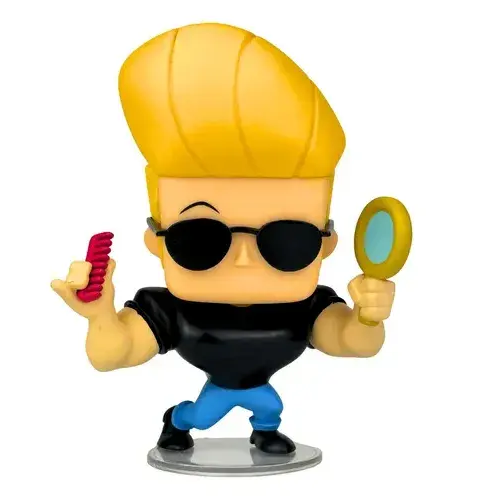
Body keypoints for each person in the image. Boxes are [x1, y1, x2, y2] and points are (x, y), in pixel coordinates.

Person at [51, 23, 395, 455]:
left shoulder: (307, 307)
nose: (245, 259)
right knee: (202, 416)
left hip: (259, 387)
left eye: (287, 241)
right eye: (200, 240)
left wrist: (368, 318)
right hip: (217, 389)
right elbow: (112, 355)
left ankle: (264, 430)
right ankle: (177, 421)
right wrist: (101, 316)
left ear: (325, 245)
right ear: (157, 243)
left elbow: (352, 343)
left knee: (270, 407)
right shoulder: (174, 310)